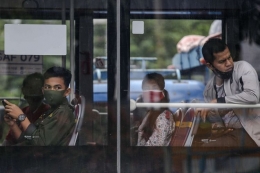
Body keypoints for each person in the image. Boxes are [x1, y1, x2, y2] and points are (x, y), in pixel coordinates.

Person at [196, 38, 260, 147]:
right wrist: (217, 130)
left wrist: (218, 101)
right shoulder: (209, 90)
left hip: (250, 132)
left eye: (229, 57)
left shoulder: (244, 68)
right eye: (222, 61)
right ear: (210, 65)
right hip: (228, 134)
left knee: (206, 148)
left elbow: (252, 96)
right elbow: (216, 122)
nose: (229, 63)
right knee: (199, 145)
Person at [3, 67, 75, 146]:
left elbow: (41, 143)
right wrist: (13, 124)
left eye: (57, 87)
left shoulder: (63, 112)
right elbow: (29, 139)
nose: (51, 91)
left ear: (67, 92)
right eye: (48, 87)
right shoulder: (51, 112)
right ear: (43, 90)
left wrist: (21, 116)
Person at [3, 72, 50, 146]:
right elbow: (10, 141)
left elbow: (35, 142)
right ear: (23, 90)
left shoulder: (49, 112)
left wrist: (20, 116)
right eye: (30, 88)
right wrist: (13, 124)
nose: (33, 92)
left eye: (37, 88)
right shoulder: (23, 111)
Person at [136, 73, 175, 146]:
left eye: (154, 88)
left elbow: (153, 148)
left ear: (162, 92)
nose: (150, 92)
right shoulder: (150, 113)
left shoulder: (162, 117)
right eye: (146, 88)